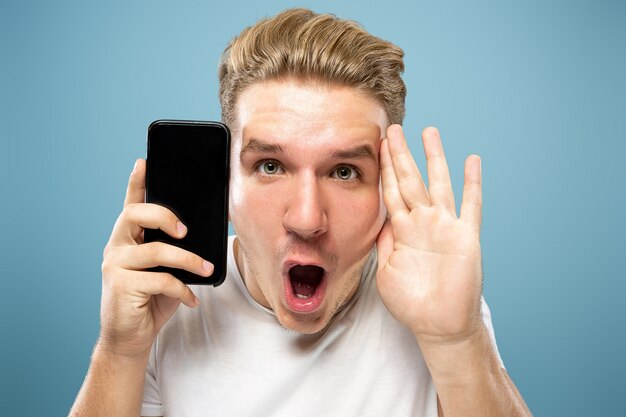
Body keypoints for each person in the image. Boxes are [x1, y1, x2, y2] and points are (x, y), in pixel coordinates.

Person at [70, 8, 532, 417]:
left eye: (345, 172)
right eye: (271, 166)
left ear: (387, 190)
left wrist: (459, 342)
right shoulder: (168, 307)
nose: (308, 218)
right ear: (226, 181)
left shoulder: (431, 296)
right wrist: (119, 352)